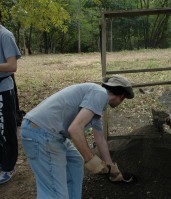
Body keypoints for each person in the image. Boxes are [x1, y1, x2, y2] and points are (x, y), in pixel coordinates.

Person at [20, 75, 134, 199]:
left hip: (52, 134)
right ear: (121, 96)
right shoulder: (99, 94)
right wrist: (91, 161)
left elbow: (100, 139)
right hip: (41, 134)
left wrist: (111, 166)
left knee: (75, 161)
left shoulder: (96, 100)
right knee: (54, 193)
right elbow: (74, 129)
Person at [0, 11, 21, 184]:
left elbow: (12, 65)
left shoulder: (5, 35)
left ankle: (9, 166)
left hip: (3, 89)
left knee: (6, 129)